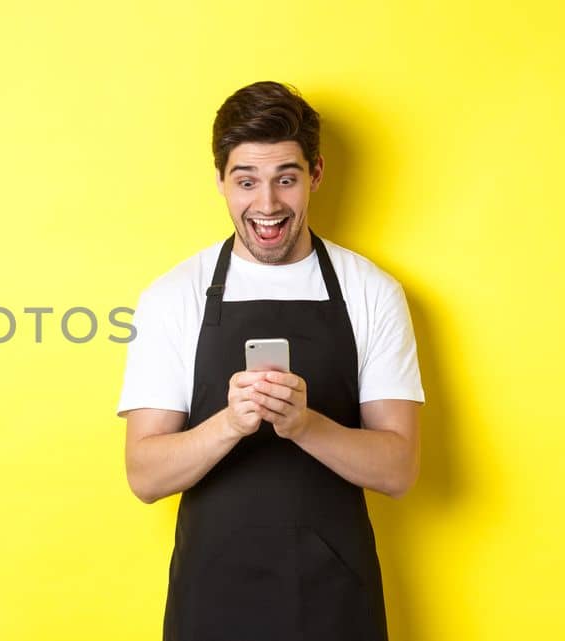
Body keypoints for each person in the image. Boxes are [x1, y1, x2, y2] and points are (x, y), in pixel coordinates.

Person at [115, 81, 425, 641]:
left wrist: (304, 425)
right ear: (220, 182)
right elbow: (145, 475)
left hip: (336, 599)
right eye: (246, 181)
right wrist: (232, 423)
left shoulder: (371, 292)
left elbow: (398, 470)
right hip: (211, 600)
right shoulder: (172, 296)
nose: (267, 205)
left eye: (286, 178)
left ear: (317, 174)